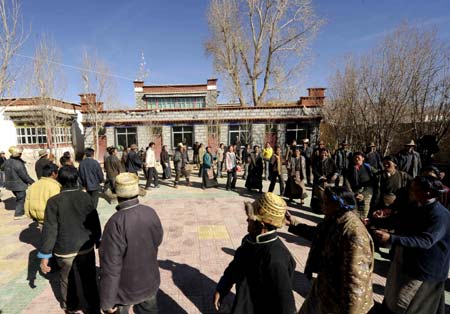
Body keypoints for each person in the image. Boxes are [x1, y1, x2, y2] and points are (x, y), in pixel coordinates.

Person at [287, 186, 374, 314]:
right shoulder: (334, 219)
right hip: (325, 289)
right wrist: (293, 223)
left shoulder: (354, 233)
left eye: (326, 203)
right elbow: (318, 233)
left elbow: (356, 281)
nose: (322, 206)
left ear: (338, 205)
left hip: (339, 301)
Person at [374, 176, 450, 314]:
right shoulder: (415, 206)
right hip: (406, 262)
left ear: (427, 192)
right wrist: (375, 221)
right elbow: (398, 221)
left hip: (424, 270)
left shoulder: (440, 215)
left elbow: (425, 241)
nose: (412, 191)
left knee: (410, 304)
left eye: (415, 189)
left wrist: (392, 238)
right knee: (392, 298)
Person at [213, 192, 296, 313]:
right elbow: (236, 265)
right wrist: (222, 287)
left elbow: (286, 305)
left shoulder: (276, 259)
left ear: (261, 225)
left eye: (251, 218)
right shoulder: (249, 239)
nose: (247, 219)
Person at [38, 165, 101, 314]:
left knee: (67, 280)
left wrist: (45, 255)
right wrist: (98, 238)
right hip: (85, 246)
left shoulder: (53, 201)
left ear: (59, 179)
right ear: (76, 178)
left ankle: (71, 307)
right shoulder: (85, 197)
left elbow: (50, 229)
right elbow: (94, 220)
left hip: (64, 249)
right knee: (89, 278)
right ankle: (93, 307)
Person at [99, 173, 163, 314]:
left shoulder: (115, 222)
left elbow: (111, 266)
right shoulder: (150, 212)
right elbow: (157, 240)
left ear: (118, 196)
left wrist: (107, 301)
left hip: (125, 289)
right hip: (149, 280)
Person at [3, 146, 34, 219]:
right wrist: (32, 182)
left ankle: (21, 211)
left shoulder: (7, 161)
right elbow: (24, 176)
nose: (21, 154)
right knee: (21, 199)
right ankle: (18, 214)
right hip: (19, 185)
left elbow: (2, 167)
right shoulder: (18, 164)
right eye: (20, 153)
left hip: (11, 184)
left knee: (19, 198)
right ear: (18, 154)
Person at [344, 152, 378, 219]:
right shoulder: (350, 169)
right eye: (355, 158)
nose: (356, 159)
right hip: (354, 193)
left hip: (366, 193)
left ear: (363, 158)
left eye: (358, 157)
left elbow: (372, 182)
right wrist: (352, 193)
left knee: (364, 213)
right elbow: (346, 182)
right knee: (353, 212)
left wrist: (363, 194)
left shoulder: (368, 168)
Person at [310, 148, 338, 213]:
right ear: (320, 153)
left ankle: (328, 209)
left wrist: (335, 175)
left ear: (327, 154)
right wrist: (321, 177)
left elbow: (336, 170)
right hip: (319, 181)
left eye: (325, 153)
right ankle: (319, 209)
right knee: (319, 196)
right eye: (322, 153)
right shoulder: (316, 161)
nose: (323, 154)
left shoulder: (331, 161)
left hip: (329, 181)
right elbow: (314, 170)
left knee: (329, 196)